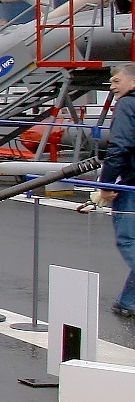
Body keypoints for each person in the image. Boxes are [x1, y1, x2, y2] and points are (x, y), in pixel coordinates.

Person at [93, 62, 135, 319]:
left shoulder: (127, 105)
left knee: (129, 241)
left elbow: (119, 147)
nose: (112, 86)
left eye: (117, 81)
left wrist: (105, 185)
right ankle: (128, 302)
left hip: (132, 184)